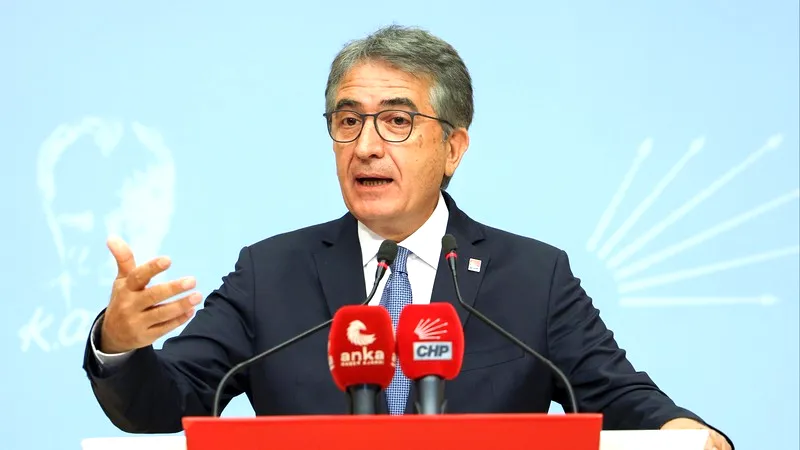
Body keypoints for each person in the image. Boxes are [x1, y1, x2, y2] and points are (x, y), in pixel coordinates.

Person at [82, 25, 733, 450]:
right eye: (348, 121)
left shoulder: (532, 278)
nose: (366, 146)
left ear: (453, 147)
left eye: (396, 121)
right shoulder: (270, 273)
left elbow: (617, 395)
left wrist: (687, 433)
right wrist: (120, 344)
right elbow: (166, 406)